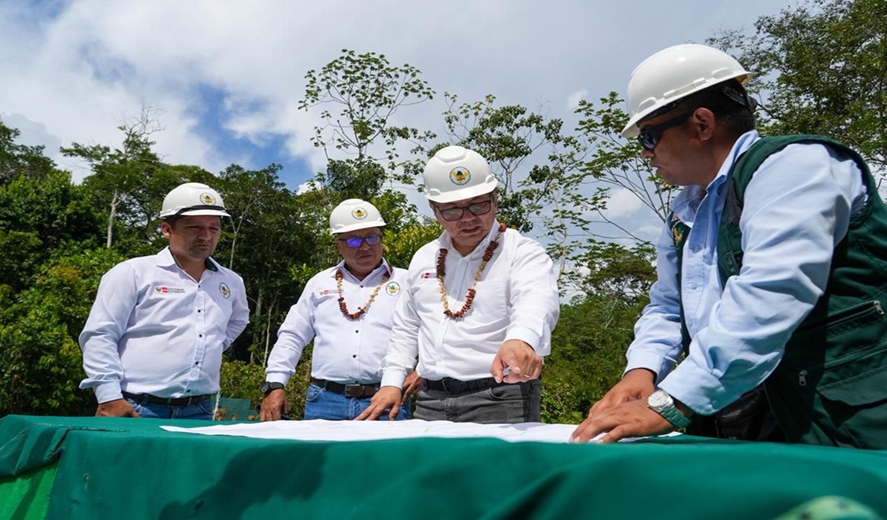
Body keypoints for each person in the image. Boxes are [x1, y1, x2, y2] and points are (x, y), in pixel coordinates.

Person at [570, 44, 887, 449]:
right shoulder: (685, 211)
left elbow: (770, 293)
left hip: (836, 413)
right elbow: (667, 306)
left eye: (649, 136)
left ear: (702, 124)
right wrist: (642, 370)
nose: (645, 153)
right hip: (735, 407)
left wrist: (673, 402)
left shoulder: (794, 168)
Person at [357, 145, 560, 424]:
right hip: (430, 400)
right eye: (452, 210)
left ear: (494, 198)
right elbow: (407, 326)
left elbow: (536, 301)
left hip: (501, 397)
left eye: (478, 205)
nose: (467, 218)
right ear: (434, 209)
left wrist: (520, 339)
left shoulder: (522, 251)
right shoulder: (425, 257)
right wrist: (392, 381)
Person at [79, 182, 250, 420]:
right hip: (136, 407)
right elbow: (99, 335)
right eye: (194, 227)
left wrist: (208, 344)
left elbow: (239, 320)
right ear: (166, 229)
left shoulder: (231, 281)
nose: (206, 236)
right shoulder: (133, 272)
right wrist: (109, 396)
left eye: (214, 228)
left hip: (200, 410)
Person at [260, 199, 417, 421]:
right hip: (325, 401)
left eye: (372, 237)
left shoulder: (407, 281)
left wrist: (422, 371)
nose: (365, 247)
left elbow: (433, 331)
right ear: (338, 245)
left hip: (386, 400)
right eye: (353, 240)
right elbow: (293, 335)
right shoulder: (319, 283)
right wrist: (275, 383)